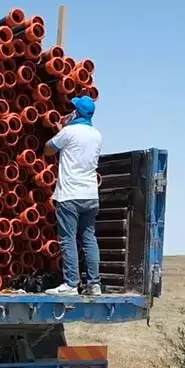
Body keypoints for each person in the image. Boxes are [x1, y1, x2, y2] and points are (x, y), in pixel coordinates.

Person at [43, 96, 103, 296]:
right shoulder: (96, 134)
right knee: (89, 238)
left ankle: (71, 284)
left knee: (68, 239)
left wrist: (61, 128)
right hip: (91, 195)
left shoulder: (69, 132)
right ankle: (94, 284)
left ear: (76, 112)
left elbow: (48, 149)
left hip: (70, 194)